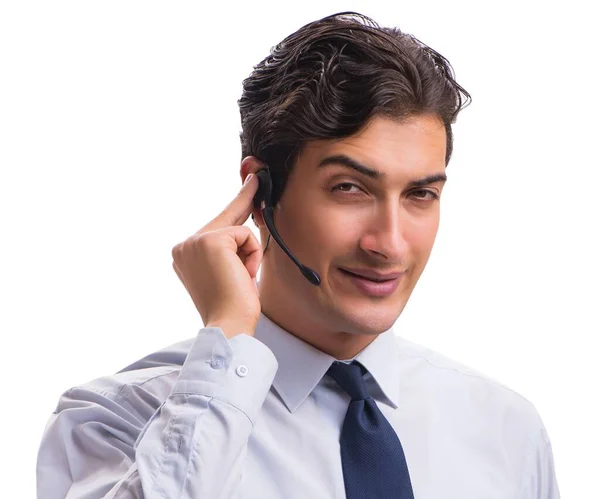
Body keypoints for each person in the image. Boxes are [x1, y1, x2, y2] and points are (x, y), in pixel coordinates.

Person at [36, 11, 560, 499]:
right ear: (261, 195)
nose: (390, 244)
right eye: (350, 188)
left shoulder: (505, 429)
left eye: (420, 194)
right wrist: (228, 333)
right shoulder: (115, 419)